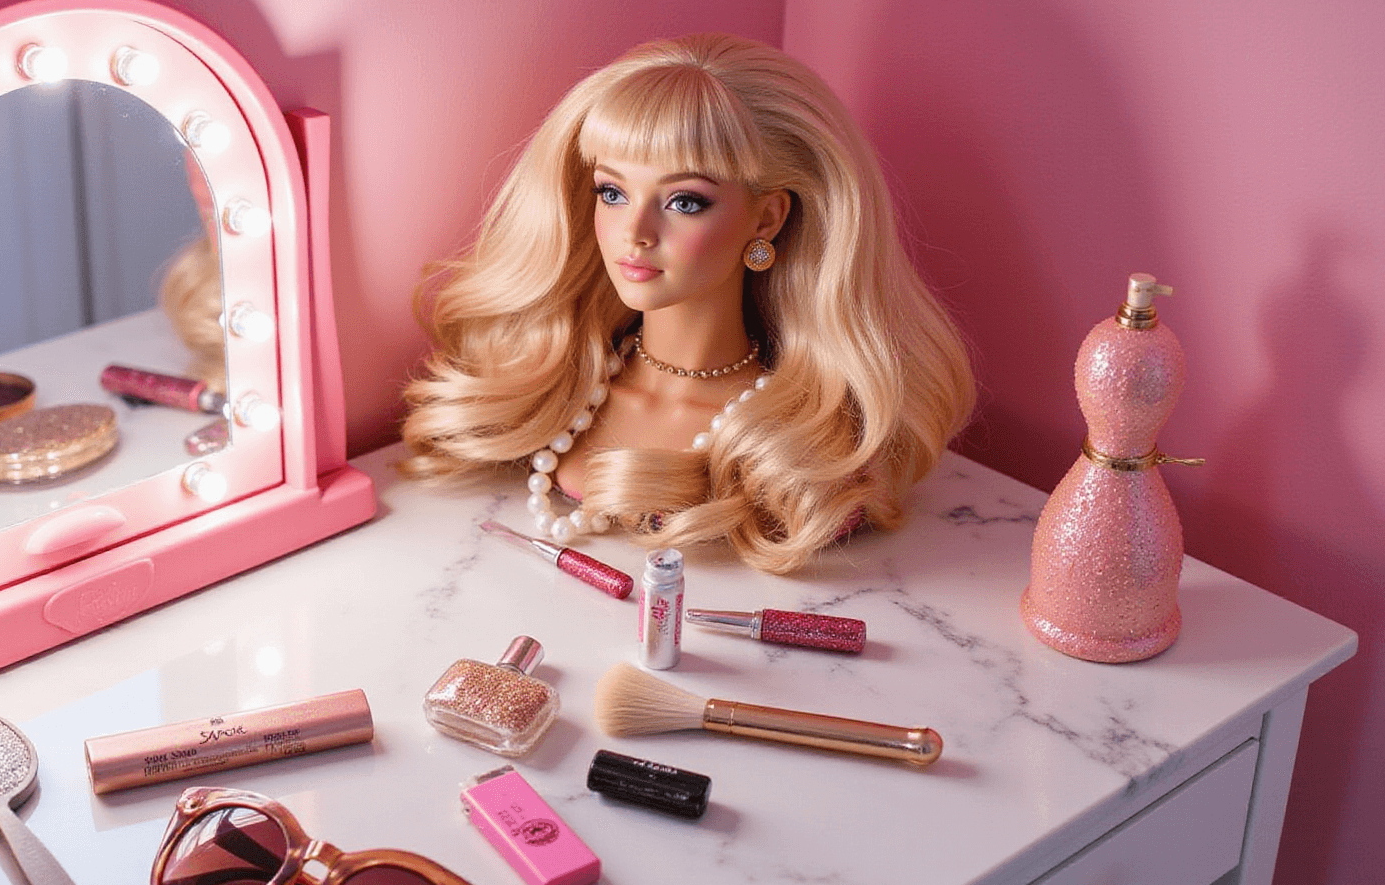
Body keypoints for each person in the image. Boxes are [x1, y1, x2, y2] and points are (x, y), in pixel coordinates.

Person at [401, 35, 973, 574]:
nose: (635, 232)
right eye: (612, 192)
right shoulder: (554, 390)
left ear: (768, 217)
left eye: (684, 201)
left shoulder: (808, 452)